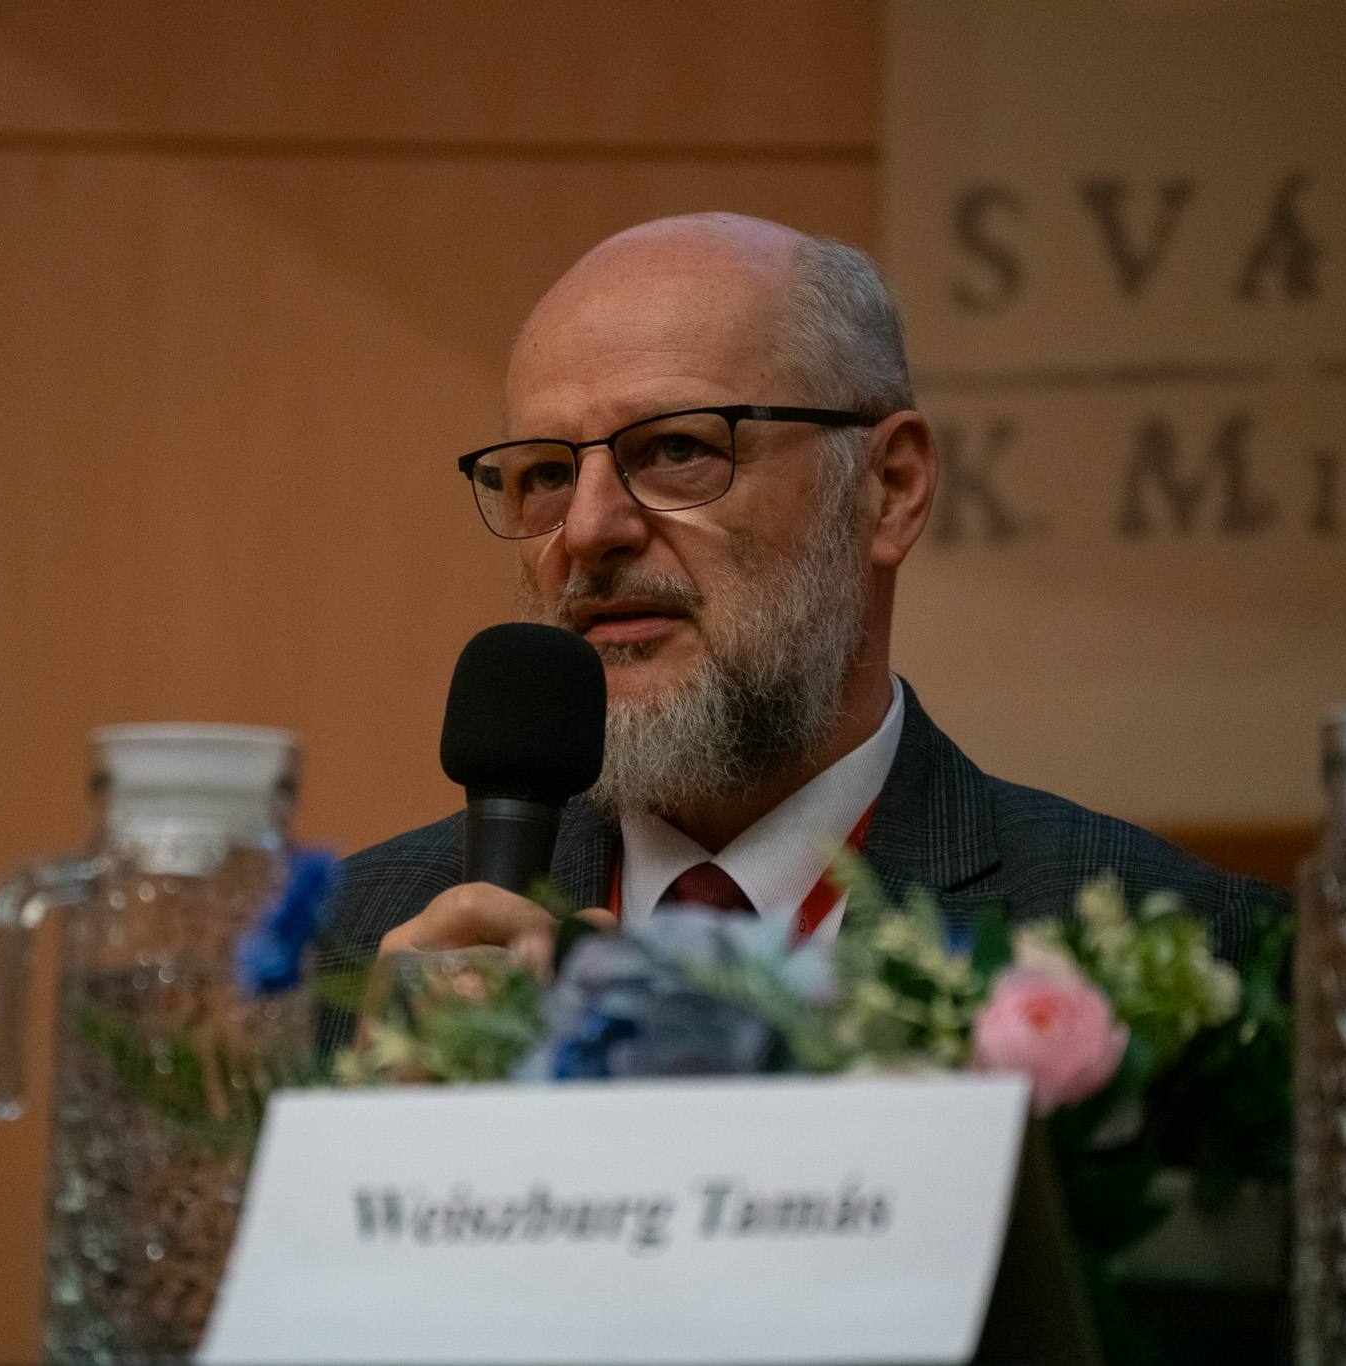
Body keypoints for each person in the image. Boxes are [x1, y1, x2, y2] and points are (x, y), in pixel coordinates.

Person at [315, 213, 1285, 1050]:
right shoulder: (342, 963)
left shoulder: (1199, 962)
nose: (589, 528)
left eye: (678, 448)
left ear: (889, 489)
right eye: (546, 474)